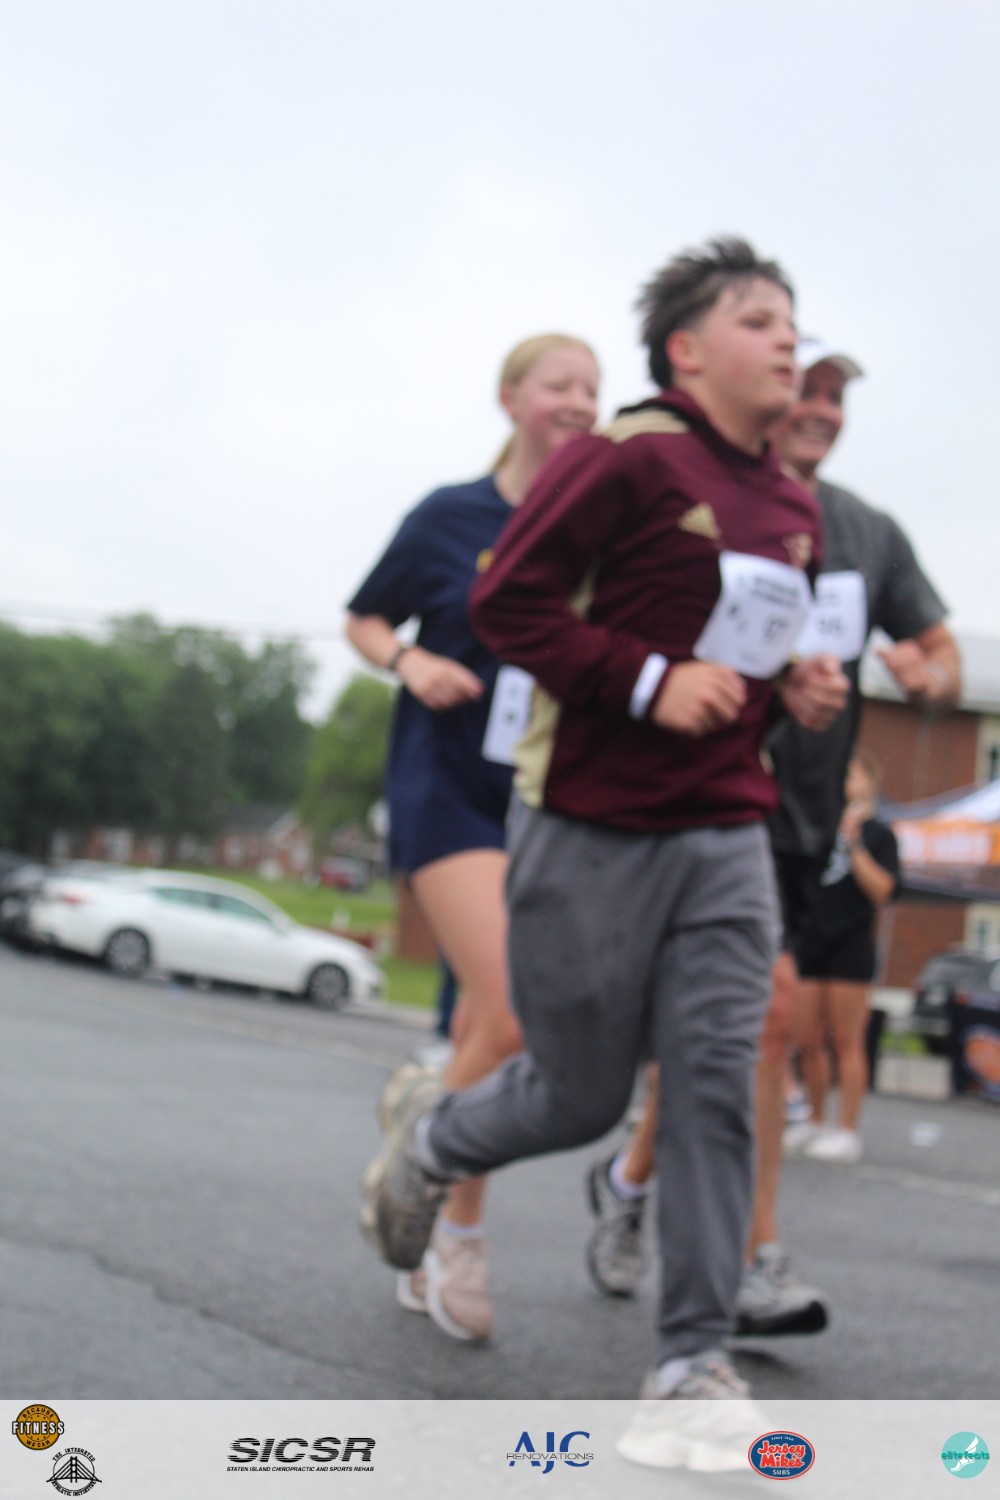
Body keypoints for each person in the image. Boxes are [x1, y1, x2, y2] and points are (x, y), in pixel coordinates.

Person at [360, 235, 849, 1469]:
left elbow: (741, 647)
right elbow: (509, 604)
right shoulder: (626, 457)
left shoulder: (794, 508)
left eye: (790, 320)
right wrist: (643, 681)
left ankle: (688, 1363)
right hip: (588, 823)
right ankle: (433, 1143)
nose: (785, 340)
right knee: (576, 1097)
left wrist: (790, 685)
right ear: (687, 350)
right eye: (756, 320)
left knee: (715, 1080)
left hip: (724, 829)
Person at [583, 336, 961, 1340]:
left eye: (838, 396)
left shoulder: (867, 531)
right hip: (705, 800)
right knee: (764, 1021)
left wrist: (926, 674)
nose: (823, 408)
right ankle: (749, 1261)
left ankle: (628, 1181)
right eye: (810, 388)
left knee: (722, 1035)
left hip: (803, 827)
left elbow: (939, 651)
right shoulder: (708, 500)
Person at [346, 333, 599, 1342]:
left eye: (592, 389)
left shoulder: (596, 533)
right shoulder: (450, 516)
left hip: (542, 796)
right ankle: (453, 1231)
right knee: (510, 1011)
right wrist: (408, 663)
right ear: (510, 399)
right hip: (445, 787)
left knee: (486, 1031)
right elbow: (366, 618)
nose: (578, 402)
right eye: (559, 385)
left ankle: (426, 1135)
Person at [788, 752, 899, 1163]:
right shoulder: (819, 827)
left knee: (847, 1041)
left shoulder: (880, 835)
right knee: (806, 1038)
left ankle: (847, 1130)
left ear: (871, 781)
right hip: (810, 941)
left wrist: (853, 845)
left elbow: (883, 891)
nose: (845, 781)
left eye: (852, 774)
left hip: (850, 945)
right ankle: (815, 1120)